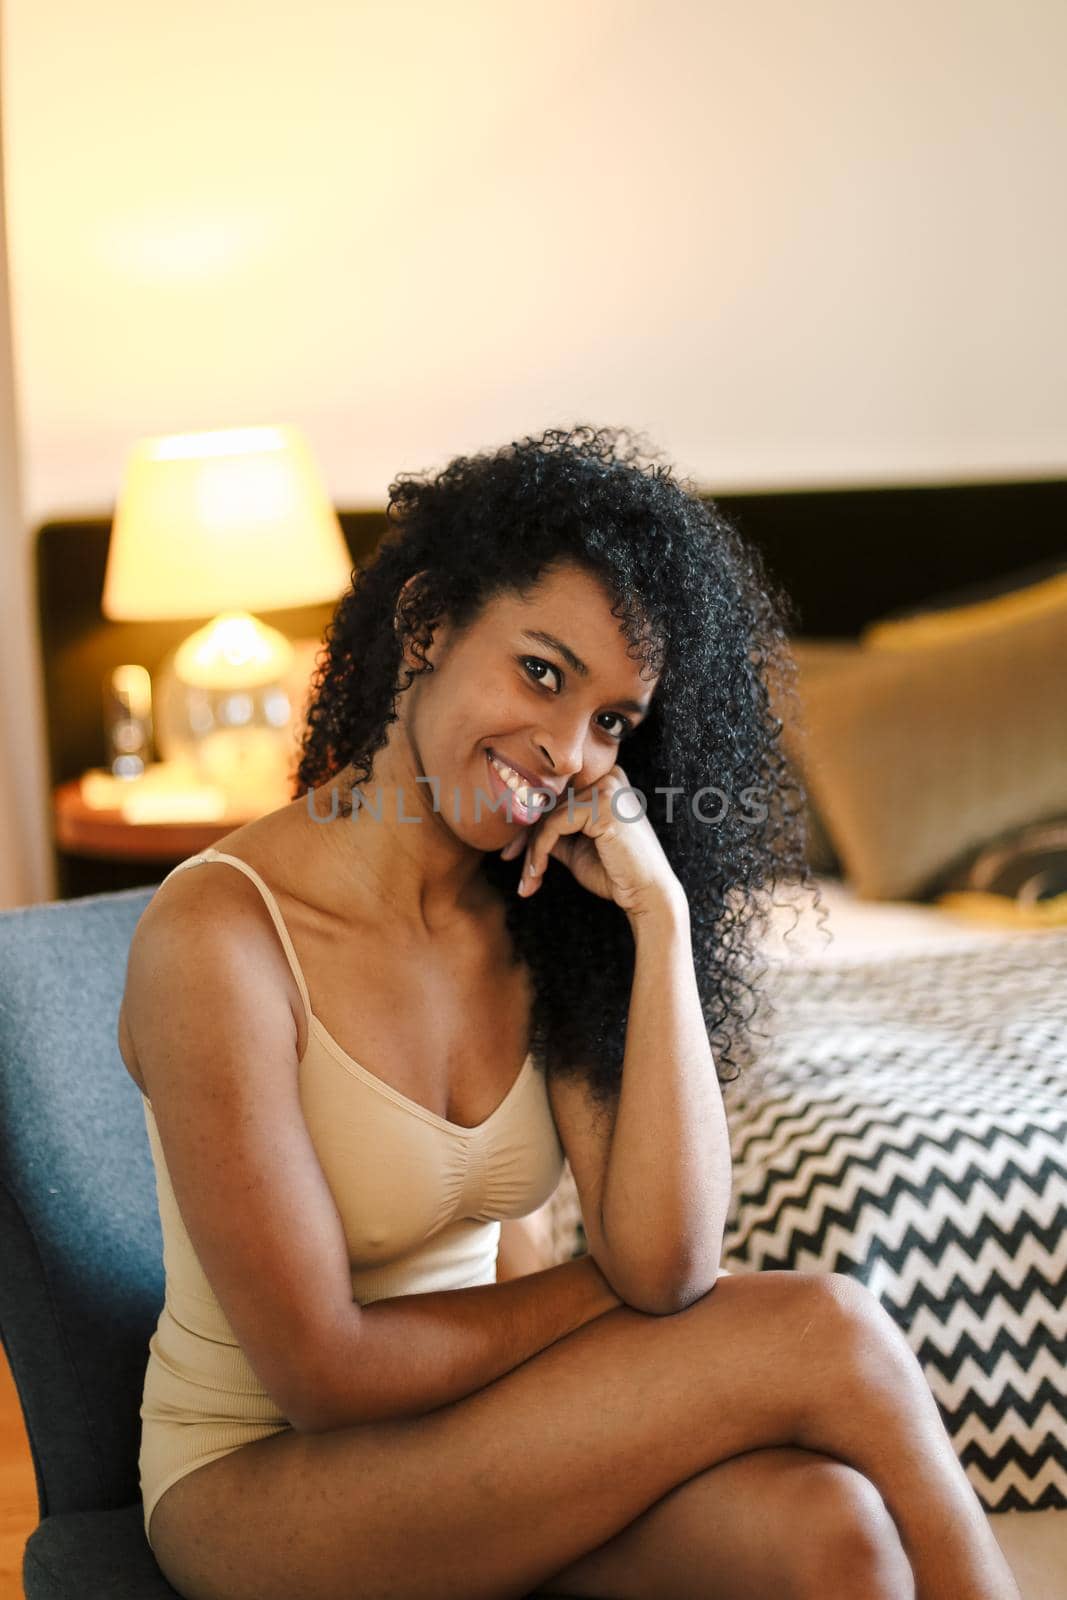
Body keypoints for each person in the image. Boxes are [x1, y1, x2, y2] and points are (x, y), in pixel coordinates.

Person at [119, 424, 1020, 1600]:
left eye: (610, 723)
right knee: (826, 1330)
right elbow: (322, 1371)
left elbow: (673, 1254)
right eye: (541, 672)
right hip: (263, 1483)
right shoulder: (221, 940)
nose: (563, 752)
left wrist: (655, 919)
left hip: (468, 1433)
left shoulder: (545, 914)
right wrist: (603, 1292)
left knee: (833, 1531)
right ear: (428, 622)